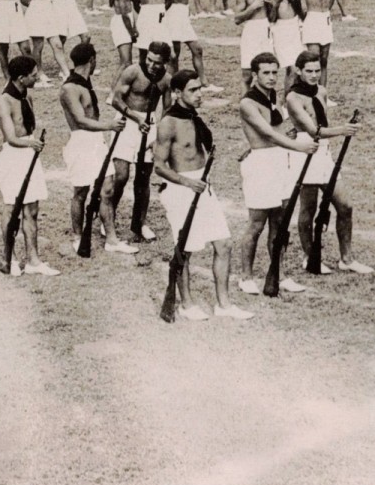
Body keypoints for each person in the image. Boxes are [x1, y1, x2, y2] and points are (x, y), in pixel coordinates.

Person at [153, 68, 247, 319]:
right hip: (181, 190)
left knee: (224, 244)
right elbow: (159, 166)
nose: (199, 94)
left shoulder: (194, 117)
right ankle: (186, 304)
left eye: (200, 89)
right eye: (193, 90)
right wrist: (186, 181)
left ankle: (223, 305)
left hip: (203, 188)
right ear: (176, 93)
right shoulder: (168, 123)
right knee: (184, 248)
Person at [284, 49, 372, 276]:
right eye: (309, 71)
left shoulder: (321, 91)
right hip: (305, 150)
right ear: (298, 71)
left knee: (345, 205)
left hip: (323, 151)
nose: (314, 75)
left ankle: (347, 259)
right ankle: (308, 256)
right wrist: (342, 131)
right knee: (309, 208)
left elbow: (322, 122)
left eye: (317, 70)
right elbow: (312, 129)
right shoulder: (293, 98)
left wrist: (331, 138)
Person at [236, 51, 316, 297]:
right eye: (266, 73)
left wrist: (290, 137)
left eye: (274, 72)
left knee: (279, 224)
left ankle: (279, 274)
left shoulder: (273, 96)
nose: (271, 77)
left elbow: (277, 130)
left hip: (280, 161)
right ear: (255, 75)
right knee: (257, 224)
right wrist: (298, 146)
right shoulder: (247, 102)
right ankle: (245, 276)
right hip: (261, 164)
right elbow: (267, 134)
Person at [59, 40, 125, 256]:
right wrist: (109, 126)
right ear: (92, 61)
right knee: (81, 191)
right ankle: (78, 236)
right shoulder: (70, 88)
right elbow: (80, 120)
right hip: (81, 141)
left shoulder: (86, 83)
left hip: (96, 141)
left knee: (107, 189)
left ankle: (112, 239)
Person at [104, 41, 169, 253]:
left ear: (164, 62)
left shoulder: (166, 80)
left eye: (156, 62)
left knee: (143, 179)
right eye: (149, 59)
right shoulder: (132, 71)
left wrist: (159, 134)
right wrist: (134, 118)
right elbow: (116, 99)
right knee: (121, 176)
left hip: (149, 125)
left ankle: (139, 224)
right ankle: (108, 218)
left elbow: (167, 109)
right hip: (126, 121)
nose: (151, 65)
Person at [0, 53, 55, 276]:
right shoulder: (4, 101)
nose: (36, 78)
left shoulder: (27, 97)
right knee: (12, 209)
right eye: (32, 75)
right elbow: (11, 137)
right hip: (14, 156)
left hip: (29, 154)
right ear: (21, 78)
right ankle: (9, 258)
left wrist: (32, 144)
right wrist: (31, 143)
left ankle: (33, 261)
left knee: (32, 209)